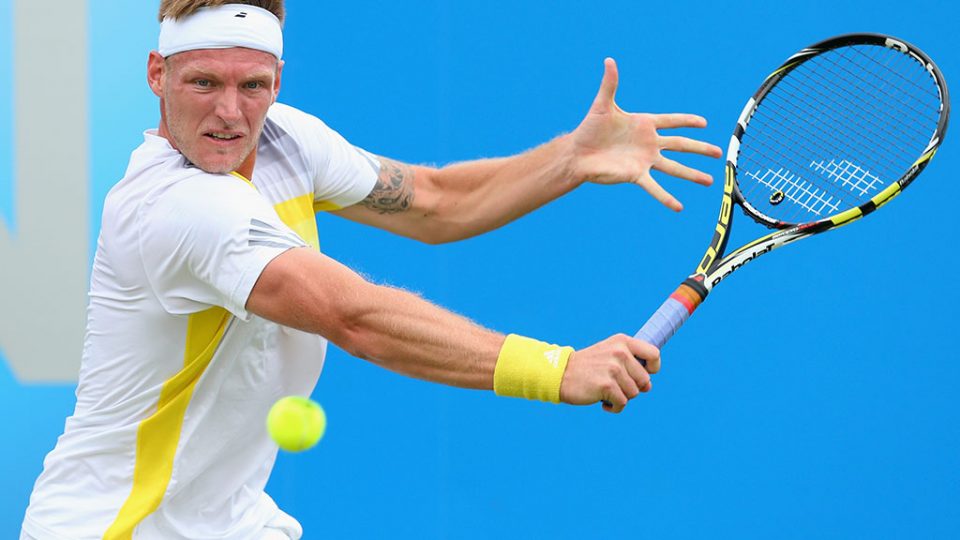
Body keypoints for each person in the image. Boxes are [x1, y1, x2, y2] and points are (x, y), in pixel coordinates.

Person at [21, 1, 722, 538]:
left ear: (278, 80)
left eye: (252, 85)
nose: (230, 114)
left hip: (228, 519)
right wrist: (557, 369)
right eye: (203, 82)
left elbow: (435, 203)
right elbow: (355, 317)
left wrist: (567, 159)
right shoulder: (173, 207)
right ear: (157, 74)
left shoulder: (291, 139)